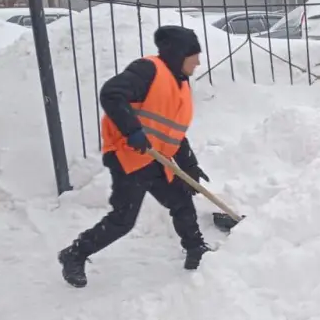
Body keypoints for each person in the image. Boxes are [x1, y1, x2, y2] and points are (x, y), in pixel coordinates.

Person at [57, 25, 211, 288]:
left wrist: (189, 165)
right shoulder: (148, 71)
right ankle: (74, 254)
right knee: (123, 220)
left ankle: (196, 248)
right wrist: (132, 131)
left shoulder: (179, 83)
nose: (198, 62)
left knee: (181, 200)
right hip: (130, 156)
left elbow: (172, 131)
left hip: (156, 158)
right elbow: (111, 93)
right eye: (194, 55)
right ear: (179, 54)